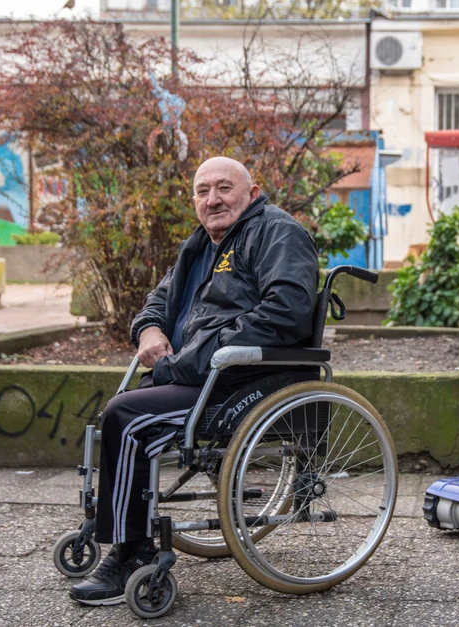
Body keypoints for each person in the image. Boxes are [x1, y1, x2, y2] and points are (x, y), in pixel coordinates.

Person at [70, 156, 319, 605]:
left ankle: (131, 551)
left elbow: (287, 312)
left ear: (252, 193)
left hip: (242, 378)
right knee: (123, 415)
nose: (213, 199)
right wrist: (148, 330)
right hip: (199, 375)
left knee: (126, 417)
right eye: (203, 191)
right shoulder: (201, 245)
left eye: (224, 188)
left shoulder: (275, 232)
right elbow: (157, 302)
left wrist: (191, 357)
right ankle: (127, 532)